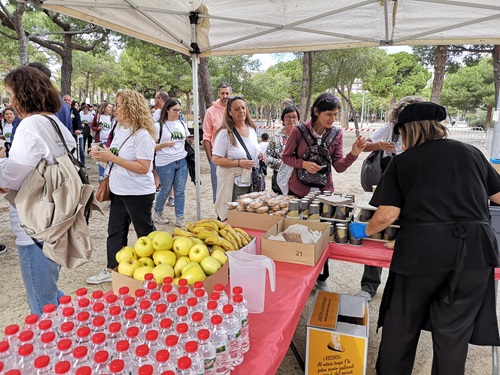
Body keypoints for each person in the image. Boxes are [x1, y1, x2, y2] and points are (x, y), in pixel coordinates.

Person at [349, 100, 500, 375]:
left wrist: (363, 230)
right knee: (454, 335)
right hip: (476, 252)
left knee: (402, 324)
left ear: (409, 130)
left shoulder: (404, 161)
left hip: (423, 253)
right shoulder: (472, 153)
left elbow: (387, 215)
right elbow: (498, 196)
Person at [0, 66, 77, 315]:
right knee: (50, 288)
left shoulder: (30, 125)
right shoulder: (53, 122)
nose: (10, 101)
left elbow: (14, 175)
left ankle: (54, 346)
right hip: (57, 218)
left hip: (35, 222)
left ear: (24, 94)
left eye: (11, 94)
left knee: (40, 300)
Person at [281, 93, 366, 291]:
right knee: (298, 234)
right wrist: (303, 163)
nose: (332, 119)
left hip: (324, 194)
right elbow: (286, 157)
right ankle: (300, 276)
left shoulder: (336, 134)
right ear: (316, 112)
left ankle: (321, 278)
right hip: (299, 191)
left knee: (322, 235)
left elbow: (339, 166)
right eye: (328, 114)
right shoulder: (299, 131)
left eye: (335, 115)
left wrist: (354, 153)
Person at [358, 96, 425, 302]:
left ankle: (402, 292)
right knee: (376, 237)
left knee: (406, 239)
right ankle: (369, 285)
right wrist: (379, 145)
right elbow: (365, 146)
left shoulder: (424, 135)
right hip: (385, 185)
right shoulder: (389, 128)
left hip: (413, 191)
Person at [86, 90, 157, 285]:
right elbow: (116, 159)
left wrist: (112, 157)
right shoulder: (120, 129)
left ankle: (156, 268)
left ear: (130, 108)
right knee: (115, 231)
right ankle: (112, 267)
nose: (114, 109)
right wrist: (102, 156)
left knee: (145, 232)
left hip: (138, 192)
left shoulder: (142, 135)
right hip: (118, 189)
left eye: (118, 105)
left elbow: (144, 168)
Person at [212, 95, 260, 221]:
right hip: (234, 183)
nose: (241, 111)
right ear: (230, 112)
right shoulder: (225, 133)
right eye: (237, 109)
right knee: (233, 217)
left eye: (243, 108)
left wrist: (259, 155)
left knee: (247, 216)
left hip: (251, 180)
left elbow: (252, 150)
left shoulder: (251, 129)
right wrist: (239, 163)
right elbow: (216, 159)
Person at [153, 98, 190, 227]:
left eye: (179, 110)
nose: (177, 113)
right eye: (174, 110)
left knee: (180, 191)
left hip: (181, 160)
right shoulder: (158, 126)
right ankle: (158, 212)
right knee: (166, 189)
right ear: (167, 110)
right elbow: (151, 146)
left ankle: (180, 217)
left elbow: (187, 139)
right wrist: (163, 145)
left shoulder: (182, 124)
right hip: (165, 162)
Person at [203, 82, 232, 203]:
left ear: (231, 94)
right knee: (218, 188)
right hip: (217, 157)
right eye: (223, 93)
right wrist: (211, 158)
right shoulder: (211, 111)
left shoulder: (234, 109)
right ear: (218, 93)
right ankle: (218, 216)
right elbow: (207, 136)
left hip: (233, 156)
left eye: (227, 93)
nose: (225, 96)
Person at [266, 106, 300, 194]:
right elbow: (267, 158)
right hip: (280, 180)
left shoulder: (303, 137)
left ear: (298, 119)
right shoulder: (276, 137)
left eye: (294, 117)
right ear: (283, 120)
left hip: (299, 180)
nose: (291, 119)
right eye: (288, 117)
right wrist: (281, 163)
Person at [91, 102, 115, 182]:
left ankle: (107, 173)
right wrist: (97, 129)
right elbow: (92, 126)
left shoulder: (113, 118)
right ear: (104, 108)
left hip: (110, 141)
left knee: (109, 158)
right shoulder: (98, 117)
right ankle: (101, 175)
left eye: (111, 107)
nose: (110, 109)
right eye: (108, 107)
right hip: (100, 140)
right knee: (101, 158)